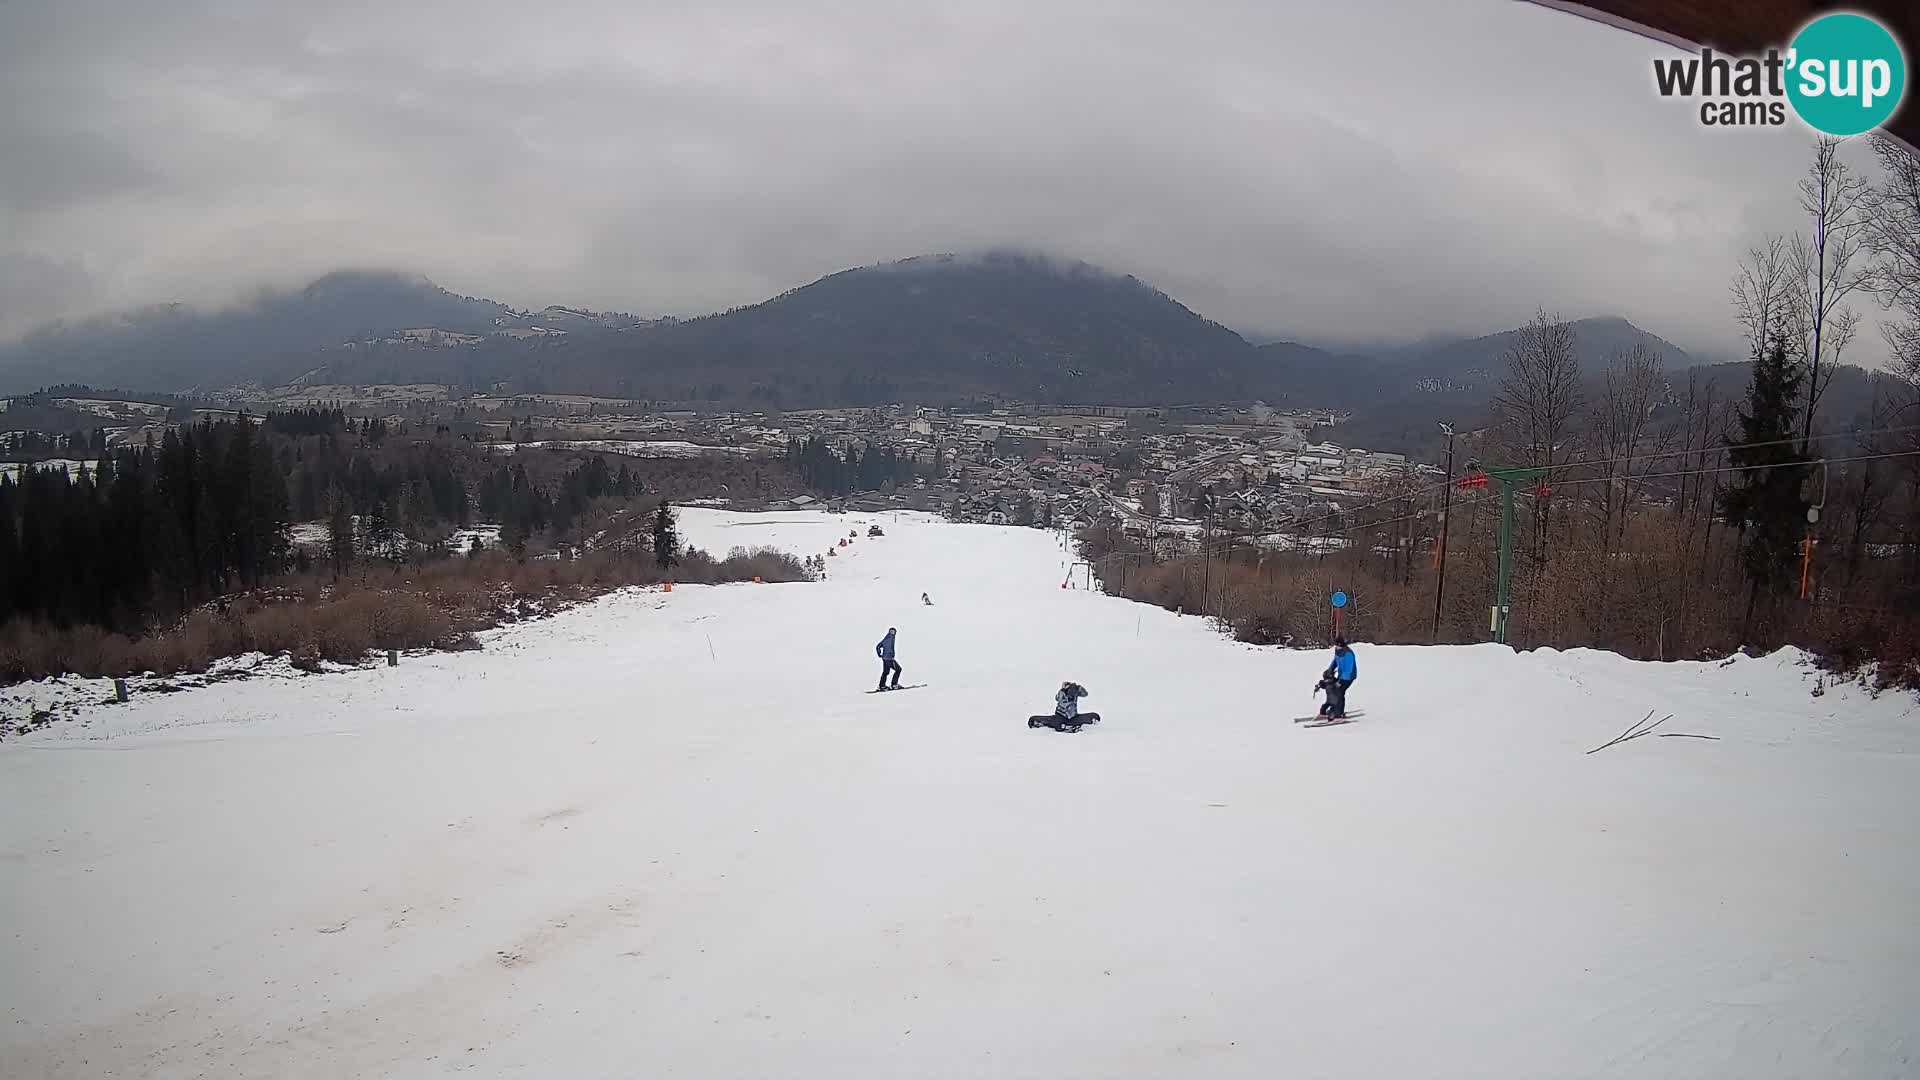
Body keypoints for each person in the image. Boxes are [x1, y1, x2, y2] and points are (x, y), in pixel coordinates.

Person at [1030, 681, 1097, 731]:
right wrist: (1063, 690)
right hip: (1061, 715)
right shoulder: (1062, 693)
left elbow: (1085, 694)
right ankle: (1038, 722)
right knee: (1057, 723)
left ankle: (1069, 725)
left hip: (1072, 716)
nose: (1072, 694)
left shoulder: (1075, 693)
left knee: (1079, 720)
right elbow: (1057, 698)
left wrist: (1080, 689)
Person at [1316, 637, 1357, 719]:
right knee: (1335, 692)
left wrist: (1341, 681)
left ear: (1341, 645)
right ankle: (1335, 710)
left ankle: (1339, 714)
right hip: (1341, 675)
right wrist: (1330, 670)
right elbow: (1335, 661)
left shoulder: (1348, 653)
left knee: (1340, 693)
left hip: (1349, 677)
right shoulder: (1338, 651)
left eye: (1337, 646)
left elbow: (1348, 669)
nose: (1336, 647)